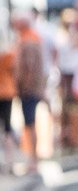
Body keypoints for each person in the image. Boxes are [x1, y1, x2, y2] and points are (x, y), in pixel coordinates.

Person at [12, 10, 45, 172]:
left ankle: (34, 159)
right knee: (29, 123)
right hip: (30, 89)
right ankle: (33, 158)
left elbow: (30, 68)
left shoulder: (29, 40)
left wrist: (24, 86)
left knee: (30, 123)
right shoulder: (27, 39)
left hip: (30, 90)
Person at [0, 18, 16, 173]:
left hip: (4, 91)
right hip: (7, 92)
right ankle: (9, 162)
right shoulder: (10, 53)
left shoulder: (9, 53)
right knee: (7, 128)